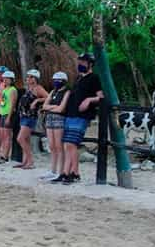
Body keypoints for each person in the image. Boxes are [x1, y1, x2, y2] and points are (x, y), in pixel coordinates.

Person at [52, 52, 103, 184]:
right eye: (79, 62)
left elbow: (101, 96)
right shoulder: (78, 78)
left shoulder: (94, 78)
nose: (80, 64)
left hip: (81, 116)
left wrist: (89, 100)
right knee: (68, 144)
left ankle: (70, 172)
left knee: (71, 143)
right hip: (71, 114)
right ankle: (70, 172)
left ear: (90, 64)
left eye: (83, 62)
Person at [15, 69, 49, 169]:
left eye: (30, 77)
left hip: (30, 117)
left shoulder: (38, 88)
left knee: (20, 138)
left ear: (35, 79)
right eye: (28, 77)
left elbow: (48, 97)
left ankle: (30, 161)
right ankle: (25, 161)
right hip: (24, 116)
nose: (28, 78)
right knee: (26, 139)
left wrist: (37, 100)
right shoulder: (29, 89)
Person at [41, 71, 70, 179]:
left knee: (59, 146)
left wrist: (51, 107)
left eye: (58, 80)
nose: (56, 82)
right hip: (50, 118)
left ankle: (60, 171)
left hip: (59, 119)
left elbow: (61, 108)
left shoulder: (67, 92)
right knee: (52, 145)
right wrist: (54, 107)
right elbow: (44, 106)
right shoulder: (53, 91)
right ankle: (52, 170)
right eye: (55, 80)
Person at [0, 70, 18, 164]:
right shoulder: (4, 90)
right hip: (2, 113)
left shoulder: (13, 90)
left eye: (7, 79)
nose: (5, 80)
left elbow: (12, 105)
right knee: (3, 136)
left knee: (7, 136)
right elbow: (1, 103)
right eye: (4, 79)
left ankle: (5, 155)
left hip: (8, 114)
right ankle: (3, 153)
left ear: (11, 80)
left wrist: (9, 117)